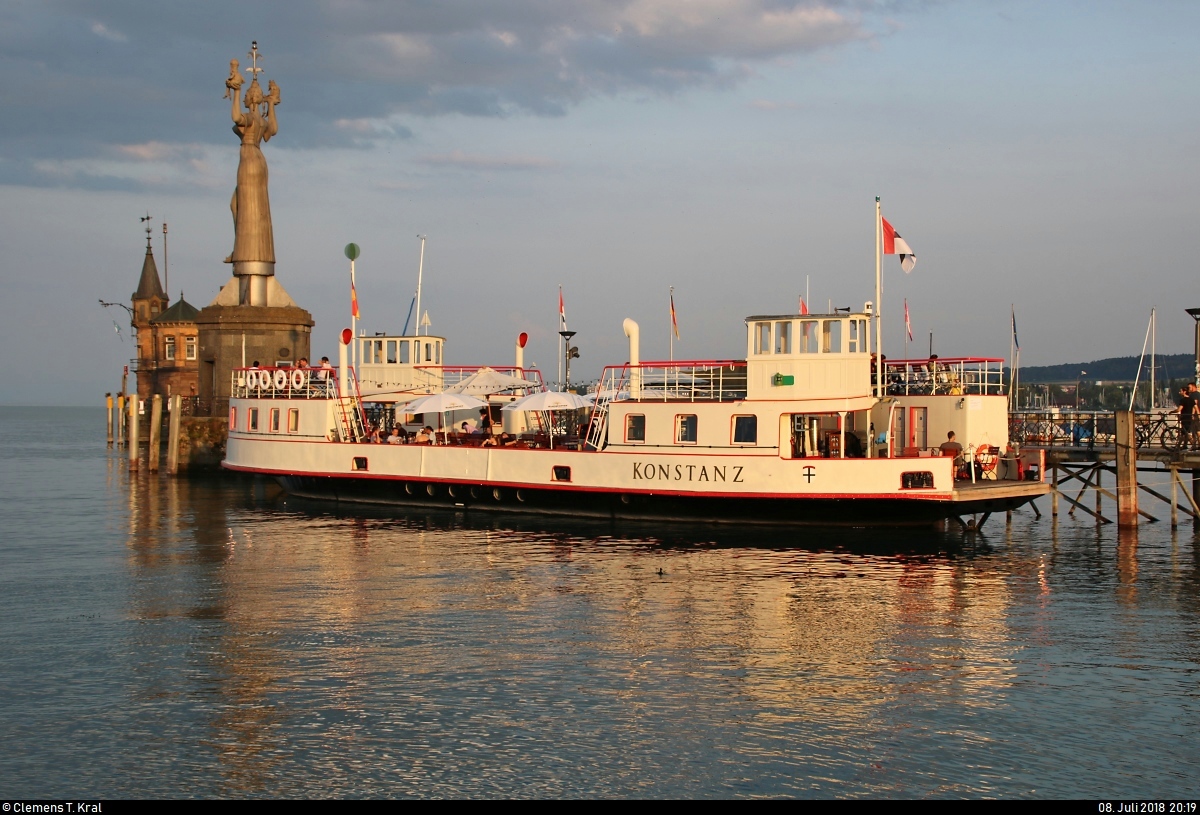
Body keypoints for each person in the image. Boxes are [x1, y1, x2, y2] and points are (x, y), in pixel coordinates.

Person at [1180, 384, 1199, 449]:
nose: (1188, 389)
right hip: (1194, 416)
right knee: (1188, 432)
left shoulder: (1193, 396)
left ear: (1193, 387)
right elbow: (1196, 406)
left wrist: (1193, 414)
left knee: (1191, 431)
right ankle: (1186, 445)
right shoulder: (1197, 395)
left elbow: (1195, 405)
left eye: (1189, 387)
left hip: (1189, 417)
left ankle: (1194, 444)